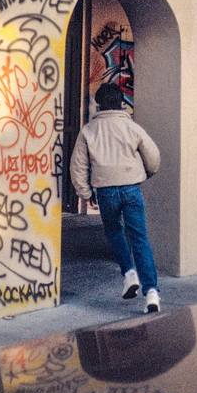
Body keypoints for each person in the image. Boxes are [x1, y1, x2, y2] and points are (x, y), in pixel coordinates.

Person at [70, 82, 162, 313]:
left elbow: (77, 166)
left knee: (113, 232)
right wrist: (146, 174)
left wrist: (85, 192)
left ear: (99, 104)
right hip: (131, 188)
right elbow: (153, 157)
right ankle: (151, 292)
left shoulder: (89, 131)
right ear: (121, 103)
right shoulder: (132, 128)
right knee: (139, 238)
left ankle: (129, 273)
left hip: (106, 190)